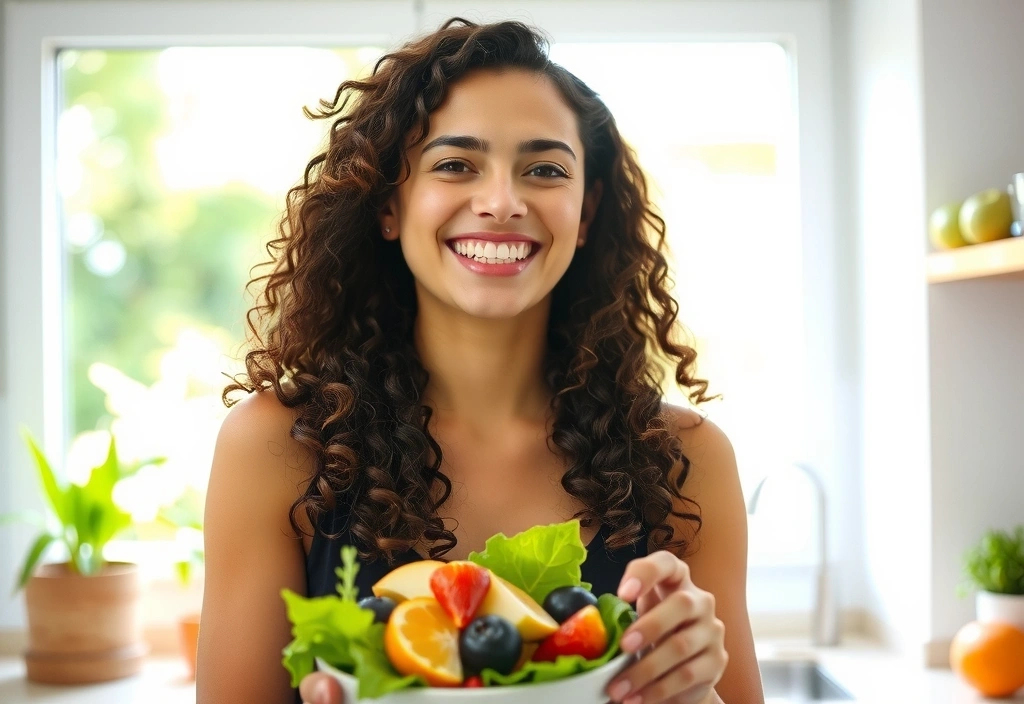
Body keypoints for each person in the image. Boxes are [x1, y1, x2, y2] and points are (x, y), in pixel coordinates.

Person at [197, 17, 763, 704]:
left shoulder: (687, 459)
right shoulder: (275, 449)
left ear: (585, 215)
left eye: (545, 169)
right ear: (389, 204)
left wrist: (697, 696)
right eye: (455, 165)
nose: (501, 202)